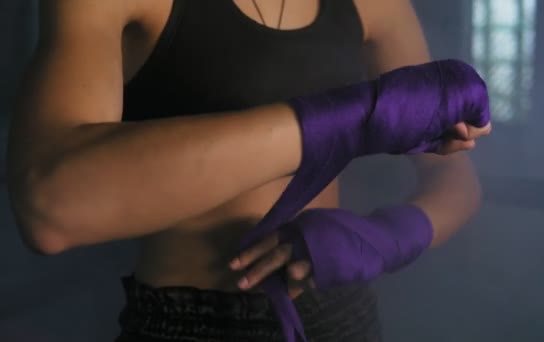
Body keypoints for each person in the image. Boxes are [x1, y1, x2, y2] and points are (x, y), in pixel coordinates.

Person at [6, 0, 492, 341]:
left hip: (343, 316)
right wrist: (349, 120)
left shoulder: (373, 4)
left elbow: (454, 176)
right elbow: (51, 204)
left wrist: (387, 237)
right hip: (189, 325)